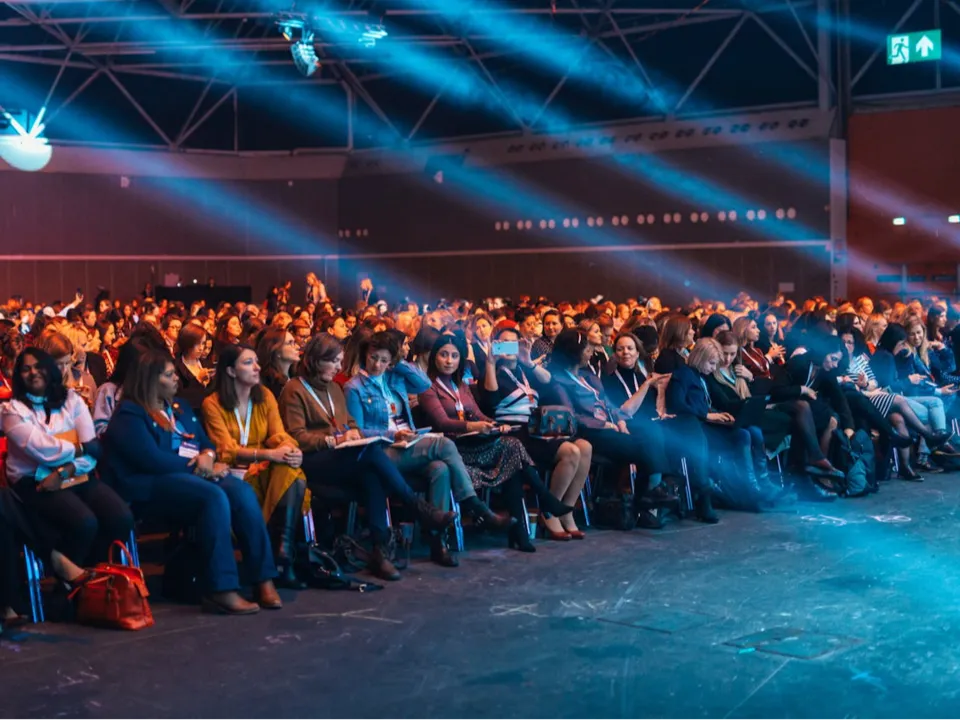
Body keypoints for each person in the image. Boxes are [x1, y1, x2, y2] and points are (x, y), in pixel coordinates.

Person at [102, 349, 281, 615]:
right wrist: (202, 469)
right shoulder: (130, 415)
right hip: (149, 488)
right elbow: (152, 460)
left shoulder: (180, 407)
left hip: (191, 478)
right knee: (213, 495)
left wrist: (208, 457)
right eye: (169, 375)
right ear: (150, 379)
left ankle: (263, 579)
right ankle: (222, 589)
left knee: (240, 491)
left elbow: (206, 443)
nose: (177, 378)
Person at [278, 334, 456, 581]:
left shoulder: (334, 388)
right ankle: (417, 508)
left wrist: (351, 433)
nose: (340, 367)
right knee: (372, 454)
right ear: (316, 361)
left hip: (340, 455)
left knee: (372, 473)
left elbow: (350, 423)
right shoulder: (294, 389)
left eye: (340, 361)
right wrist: (333, 440)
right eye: (334, 361)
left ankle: (380, 551)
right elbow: (297, 436)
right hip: (312, 459)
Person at [345, 331, 511, 565]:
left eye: (384, 360)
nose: (378, 365)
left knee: (440, 469)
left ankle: (437, 543)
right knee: (444, 444)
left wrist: (399, 362)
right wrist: (393, 434)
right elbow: (359, 431)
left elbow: (423, 383)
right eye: (373, 358)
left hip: (409, 444)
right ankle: (476, 506)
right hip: (382, 451)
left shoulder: (393, 378)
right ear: (365, 356)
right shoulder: (354, 387)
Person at [1, 348, 133, 575]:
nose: (33, 372)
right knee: (84, 522)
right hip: (35, 482)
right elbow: (44, 451)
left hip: (75, 474)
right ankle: (69, 581)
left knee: (120, 517)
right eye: (26, 369)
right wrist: (81, 448)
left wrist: (68, 469)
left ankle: (98, 576)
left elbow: (92, 450)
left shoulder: (72, 400)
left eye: (38, 366)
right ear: (18, 376)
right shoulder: (12, 411)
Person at [418, 333, 549, 550]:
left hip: (474, 445)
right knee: (512, 449)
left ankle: (519, 529)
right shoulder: (427, 387)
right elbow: (442, 422)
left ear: (460, 359)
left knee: (511, 450)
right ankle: (541, 502)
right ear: (434, 357)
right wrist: (474, 426)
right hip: (453, 450)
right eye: (443, 355)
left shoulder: (461, 385)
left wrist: (496, 425)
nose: (449, 361)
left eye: (454, 356)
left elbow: (479, 415)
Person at [202, 345, 308, 588]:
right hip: (233, 472)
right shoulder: (212, 403)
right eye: (248, 363)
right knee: (286, 472)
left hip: (264, 467)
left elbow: (277, 433)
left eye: (257, 361)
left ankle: (282, 549)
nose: (257, 367)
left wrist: (291, 449)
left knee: (291, 469)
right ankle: (281, 560)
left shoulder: (265, 396)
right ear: (230, 371)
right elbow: (226, 450)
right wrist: (268, 454)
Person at [481, 323, 587, 538]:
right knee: (571, 451)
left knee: (585, 447)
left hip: (535, 429)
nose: (509, 347)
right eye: (503, 343)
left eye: (513, 343)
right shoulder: (495, 373)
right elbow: (491, 401)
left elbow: (549, 382)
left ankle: (566, 509)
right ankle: (549, 511)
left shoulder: (524, 371)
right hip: (513, 433)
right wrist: (490, 362)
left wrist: (528, 362)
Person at [256, 327, 300, 400]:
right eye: (290, 343)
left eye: (295, 342)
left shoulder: (296, 376)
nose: (298, 347)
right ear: (276, 350)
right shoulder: (268, 383)